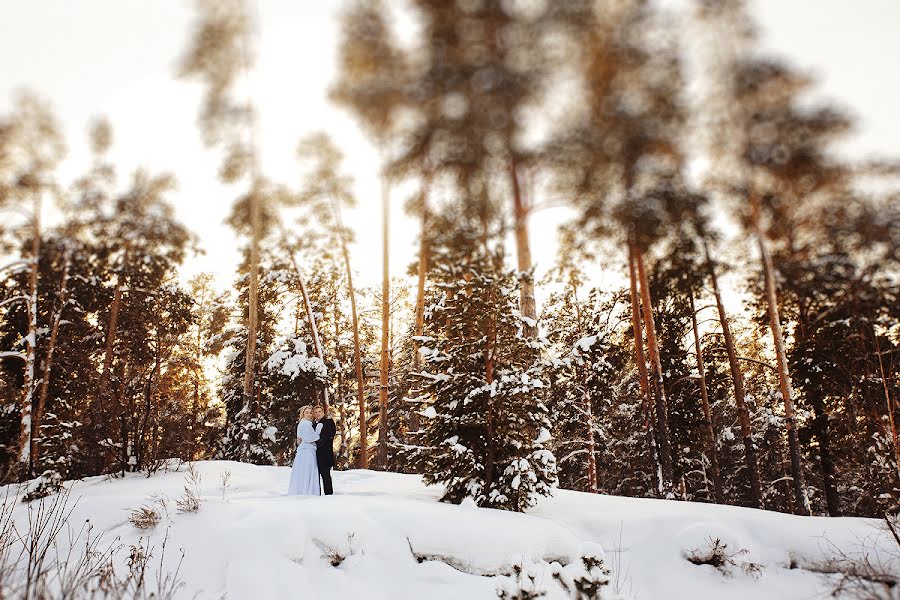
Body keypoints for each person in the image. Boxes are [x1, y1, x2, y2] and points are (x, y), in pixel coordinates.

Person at [287, 405, 322, 496]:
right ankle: (308, 492)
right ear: (302, 414)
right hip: (307, 452)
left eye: (311, 413)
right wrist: (318, 430)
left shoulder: (304, 424)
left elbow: (301, 439)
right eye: (307, 412)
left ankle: (302, 490)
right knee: (307, 471)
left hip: (305, 451)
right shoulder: (305, 424)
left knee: (303, 472)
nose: (309, 414)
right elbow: (308, 438)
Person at [313, 405, 336, 495]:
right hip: (314, 455)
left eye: (319, 411)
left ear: (323, 413)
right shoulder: (312, 425)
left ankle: (329, 495)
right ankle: (315, 495)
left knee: (325, 476)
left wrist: (318, 442)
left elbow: (330, 435)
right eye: (316, 412)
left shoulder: (328, 422)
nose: (318, 413)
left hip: (325, 455)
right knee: (315, 478)